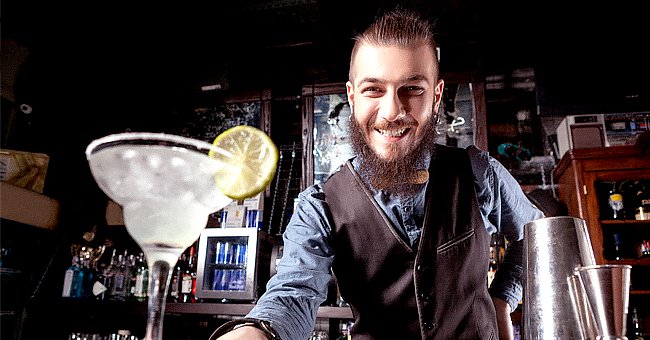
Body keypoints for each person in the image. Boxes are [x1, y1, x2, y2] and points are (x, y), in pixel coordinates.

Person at [211, 8, 543, 340]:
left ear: (437, 96)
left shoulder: (478, 173)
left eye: (412, 88)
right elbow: (292, 294)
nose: (392, 111)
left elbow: (536, 237)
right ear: (352, 97)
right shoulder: (319, 206)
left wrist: (502, 299)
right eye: (373, 90)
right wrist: (255, 333)